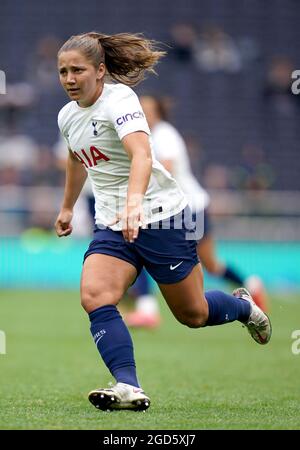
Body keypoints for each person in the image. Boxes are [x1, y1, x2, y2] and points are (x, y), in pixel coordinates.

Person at [54, 31, 272, 412]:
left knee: (194, 314)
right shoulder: (67, 116)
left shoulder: (120, 99)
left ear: (101, 70)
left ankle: (243, 307)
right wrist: (68, 206)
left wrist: (135, 203)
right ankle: (128, 385)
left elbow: (141, 154)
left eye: (78, 70)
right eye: (63, 72)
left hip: (162, 217)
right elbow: (76, 159)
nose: (70, 79)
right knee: (95, 295)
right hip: (113, 223)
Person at [125, 95, 268, 328]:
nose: (142, 113)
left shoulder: (164, 134)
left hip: (187, 209)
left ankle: (246, 293)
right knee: (206, 263)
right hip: (182, 207)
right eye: (139, 109)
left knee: (198, 264)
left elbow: (166, 167)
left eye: (147, 109)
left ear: (158, 113)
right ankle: (251, 287)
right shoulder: (148, 135)